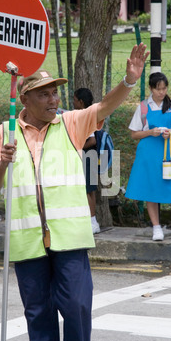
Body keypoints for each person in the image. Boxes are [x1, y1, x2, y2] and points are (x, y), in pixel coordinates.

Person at [0, 43, 149, 341]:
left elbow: (104, 106)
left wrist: (129, 81)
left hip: (69, 240)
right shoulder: (5, 131)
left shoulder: (71, 124)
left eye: (55, 92)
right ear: (25, 99)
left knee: (76, 309)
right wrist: (3, 163)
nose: (54, 99)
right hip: (28, 244)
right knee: (39, 318)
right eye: (44, 94)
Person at [125, 72, 171, 242]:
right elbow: (134, 134)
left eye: (164, 88)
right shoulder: (143, 107)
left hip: (166, 152)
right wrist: (150, 132)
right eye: (158, 89)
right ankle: (156, 228)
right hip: (148, 154)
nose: (161, 92)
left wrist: (170, 131)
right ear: (151, 89)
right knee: (151, 189)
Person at [73, 87, 100, 234]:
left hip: (88, 155)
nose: (73, 102)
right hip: (84, 155)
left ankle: (93, 221)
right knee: (86, 190)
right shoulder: (81, 115)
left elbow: (92, 140)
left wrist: (76, 147)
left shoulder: (86, 116)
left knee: (88, 190)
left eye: (75, 100)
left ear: (81, 102)